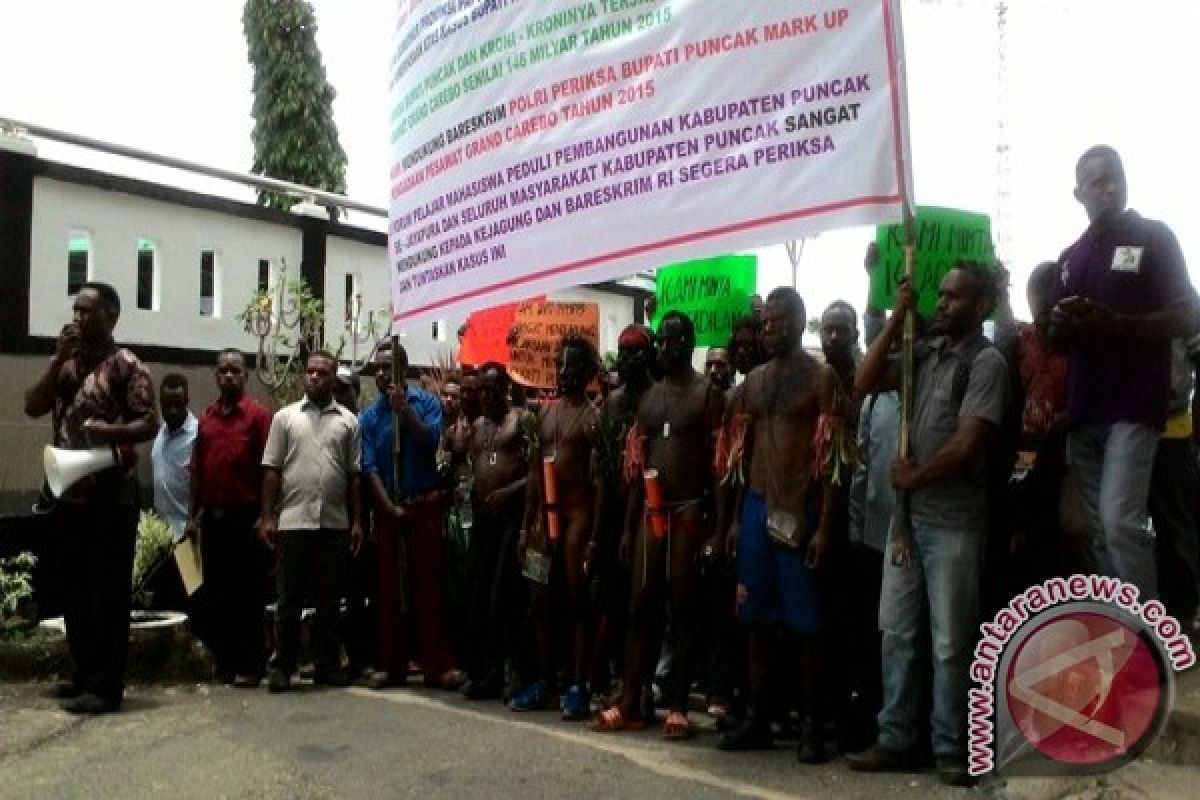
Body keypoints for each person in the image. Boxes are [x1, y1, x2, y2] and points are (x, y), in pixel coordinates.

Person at [848, 264, 1009, 786]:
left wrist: (915, 476)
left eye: (954, 297)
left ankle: (950, 747)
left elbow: (969, 443)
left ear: (982, 305)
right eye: (940, 295)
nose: (942, 304)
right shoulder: (925, 353)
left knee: (949, 642)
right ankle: (895, 738)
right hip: (908, 521)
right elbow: (864, 380)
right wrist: (896, 322)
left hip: (954, 522)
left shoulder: (986, 363)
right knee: (896, 633)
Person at [1048, 145, 1200, 598]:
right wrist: (1061, 324)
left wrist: (1115, 323)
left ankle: (1149, 642)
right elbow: (1058, 344)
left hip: (1134, 409)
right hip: (1085, 413)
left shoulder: (1154, 237)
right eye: (1097, 182)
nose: (1110, 188)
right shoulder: (1071, 256)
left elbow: (1187, 317)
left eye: (1115, 177)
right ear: (1079, 194)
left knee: (1120, 523)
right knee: (1100, 534)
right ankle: (1124, 630)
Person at [716, 288, 843, 763]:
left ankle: (812, 724)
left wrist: (826, 527)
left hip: (800, 511)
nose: (770, 329)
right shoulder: (753, 381)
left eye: (779, 321)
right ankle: (758, 717)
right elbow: (735, 454)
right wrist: (731, 521)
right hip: (756, 507)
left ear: (799, 320)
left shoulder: (821, 379)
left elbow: (834, 461)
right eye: (766, 322)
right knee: (754, 620)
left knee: (807, 625)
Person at [24, 281, 158, 714]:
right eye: (76, 310)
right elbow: (32, 405)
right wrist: (56, 360)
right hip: (70, 495)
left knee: (107, 594)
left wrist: (110, 433)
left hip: (111, 498)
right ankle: (84, 674)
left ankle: (106, 687)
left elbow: (148, 424)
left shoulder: (127, 365)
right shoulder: (67, 364)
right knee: (74, 591)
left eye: (89, 312)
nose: (79, 319)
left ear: (112, 317)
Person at [593, 311, 724, 740]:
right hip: (651, 511)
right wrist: (630, 529)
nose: (668, 349)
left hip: (689, 510)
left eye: (674, 342)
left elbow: (720, 468)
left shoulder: (708, 395)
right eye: (663, 342)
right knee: (640, 607)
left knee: (683, 609)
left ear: (689, 344)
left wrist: (718, 527)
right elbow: (636, 469)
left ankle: (680, 706)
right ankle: (632, 699)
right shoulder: (648, 399)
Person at [260, 350, 363, 692]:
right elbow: (272, 471)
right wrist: (267, 516)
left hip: (333, 524)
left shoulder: (348, 422)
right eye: (311, 372)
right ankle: (282, 667)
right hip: (293, 522)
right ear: (304, 376)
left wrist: (358, 521)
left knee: (329, 603)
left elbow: (354, 476)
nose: (315, 377)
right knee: (288, 601)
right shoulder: (285, 419)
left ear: (334, 378)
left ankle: (326, 666)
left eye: (323, 373)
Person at [360, 341, 460, 690]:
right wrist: (388, 507)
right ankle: (391, 663)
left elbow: (433, 444)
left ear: (404, 370)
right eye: (378, 368)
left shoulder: (427, 403)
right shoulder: (369, 416)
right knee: (388, 590)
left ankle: (436, 664)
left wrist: (405, 413)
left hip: (423, 506)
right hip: (390, 508)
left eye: (390, 367)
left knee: (428, 589)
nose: (383, 374)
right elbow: (368, 465)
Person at [513, 335, 601, 717]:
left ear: (589, 373)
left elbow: (600, 482)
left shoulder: (596, 418)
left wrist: (594, 536)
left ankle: (578, 683)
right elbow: (535, 472)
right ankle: (546, 681)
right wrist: (525, 525)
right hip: (542, 514)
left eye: (574, 367)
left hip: (578, 514)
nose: (566, 373)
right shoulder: (542, 413)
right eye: (561, 366)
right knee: (541, 601)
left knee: (578, 601)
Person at [188, 348, 274, 687]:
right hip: (213, 520)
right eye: (222, 370)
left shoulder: (258, 416)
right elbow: (196, 470)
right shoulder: (206, 419)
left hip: (246, 518)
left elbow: (269, 470)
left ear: (245, 375)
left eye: (235, 371)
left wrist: (267, 516)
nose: (228, 376)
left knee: (247, 595)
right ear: (215, 375)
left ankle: (251, 664)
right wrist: (193, 515)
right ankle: (224, 662)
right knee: (217, 593)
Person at [590, 325, 656, 701]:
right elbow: (602, 470)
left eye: (634, 351)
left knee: (641, 602)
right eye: (622, 351)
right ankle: (612, 676)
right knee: (610, 598)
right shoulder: (611, 404)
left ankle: (640, 684)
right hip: (613, 510)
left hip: (649, 511)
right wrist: (598, 532)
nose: (628, 359)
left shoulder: (657, 398)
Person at [461, 363, 532, 701]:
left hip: (513, 520)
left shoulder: (521, 420)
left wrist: (509, 492)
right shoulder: (475, 426)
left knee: (503, 597)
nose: (486, 397)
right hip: (482, 520)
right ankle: (486, 673)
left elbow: (538, 473)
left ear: (505, 389)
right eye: (481, 391)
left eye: (492, 390)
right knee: (475, 596)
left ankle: (515, 670)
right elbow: (466, 463)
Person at [1150, 335, 1200, 624]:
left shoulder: (1179, 295)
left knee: (1176, 529)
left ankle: (1180, 612)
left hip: (1173, 427)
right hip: (1127, 426)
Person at [151, 373, 196, 543]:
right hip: (160, 532)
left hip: (187, 533)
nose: (172, 410)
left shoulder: (198, 435)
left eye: (178, 404)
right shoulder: (160, 433)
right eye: (167, 405)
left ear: (187, 401)